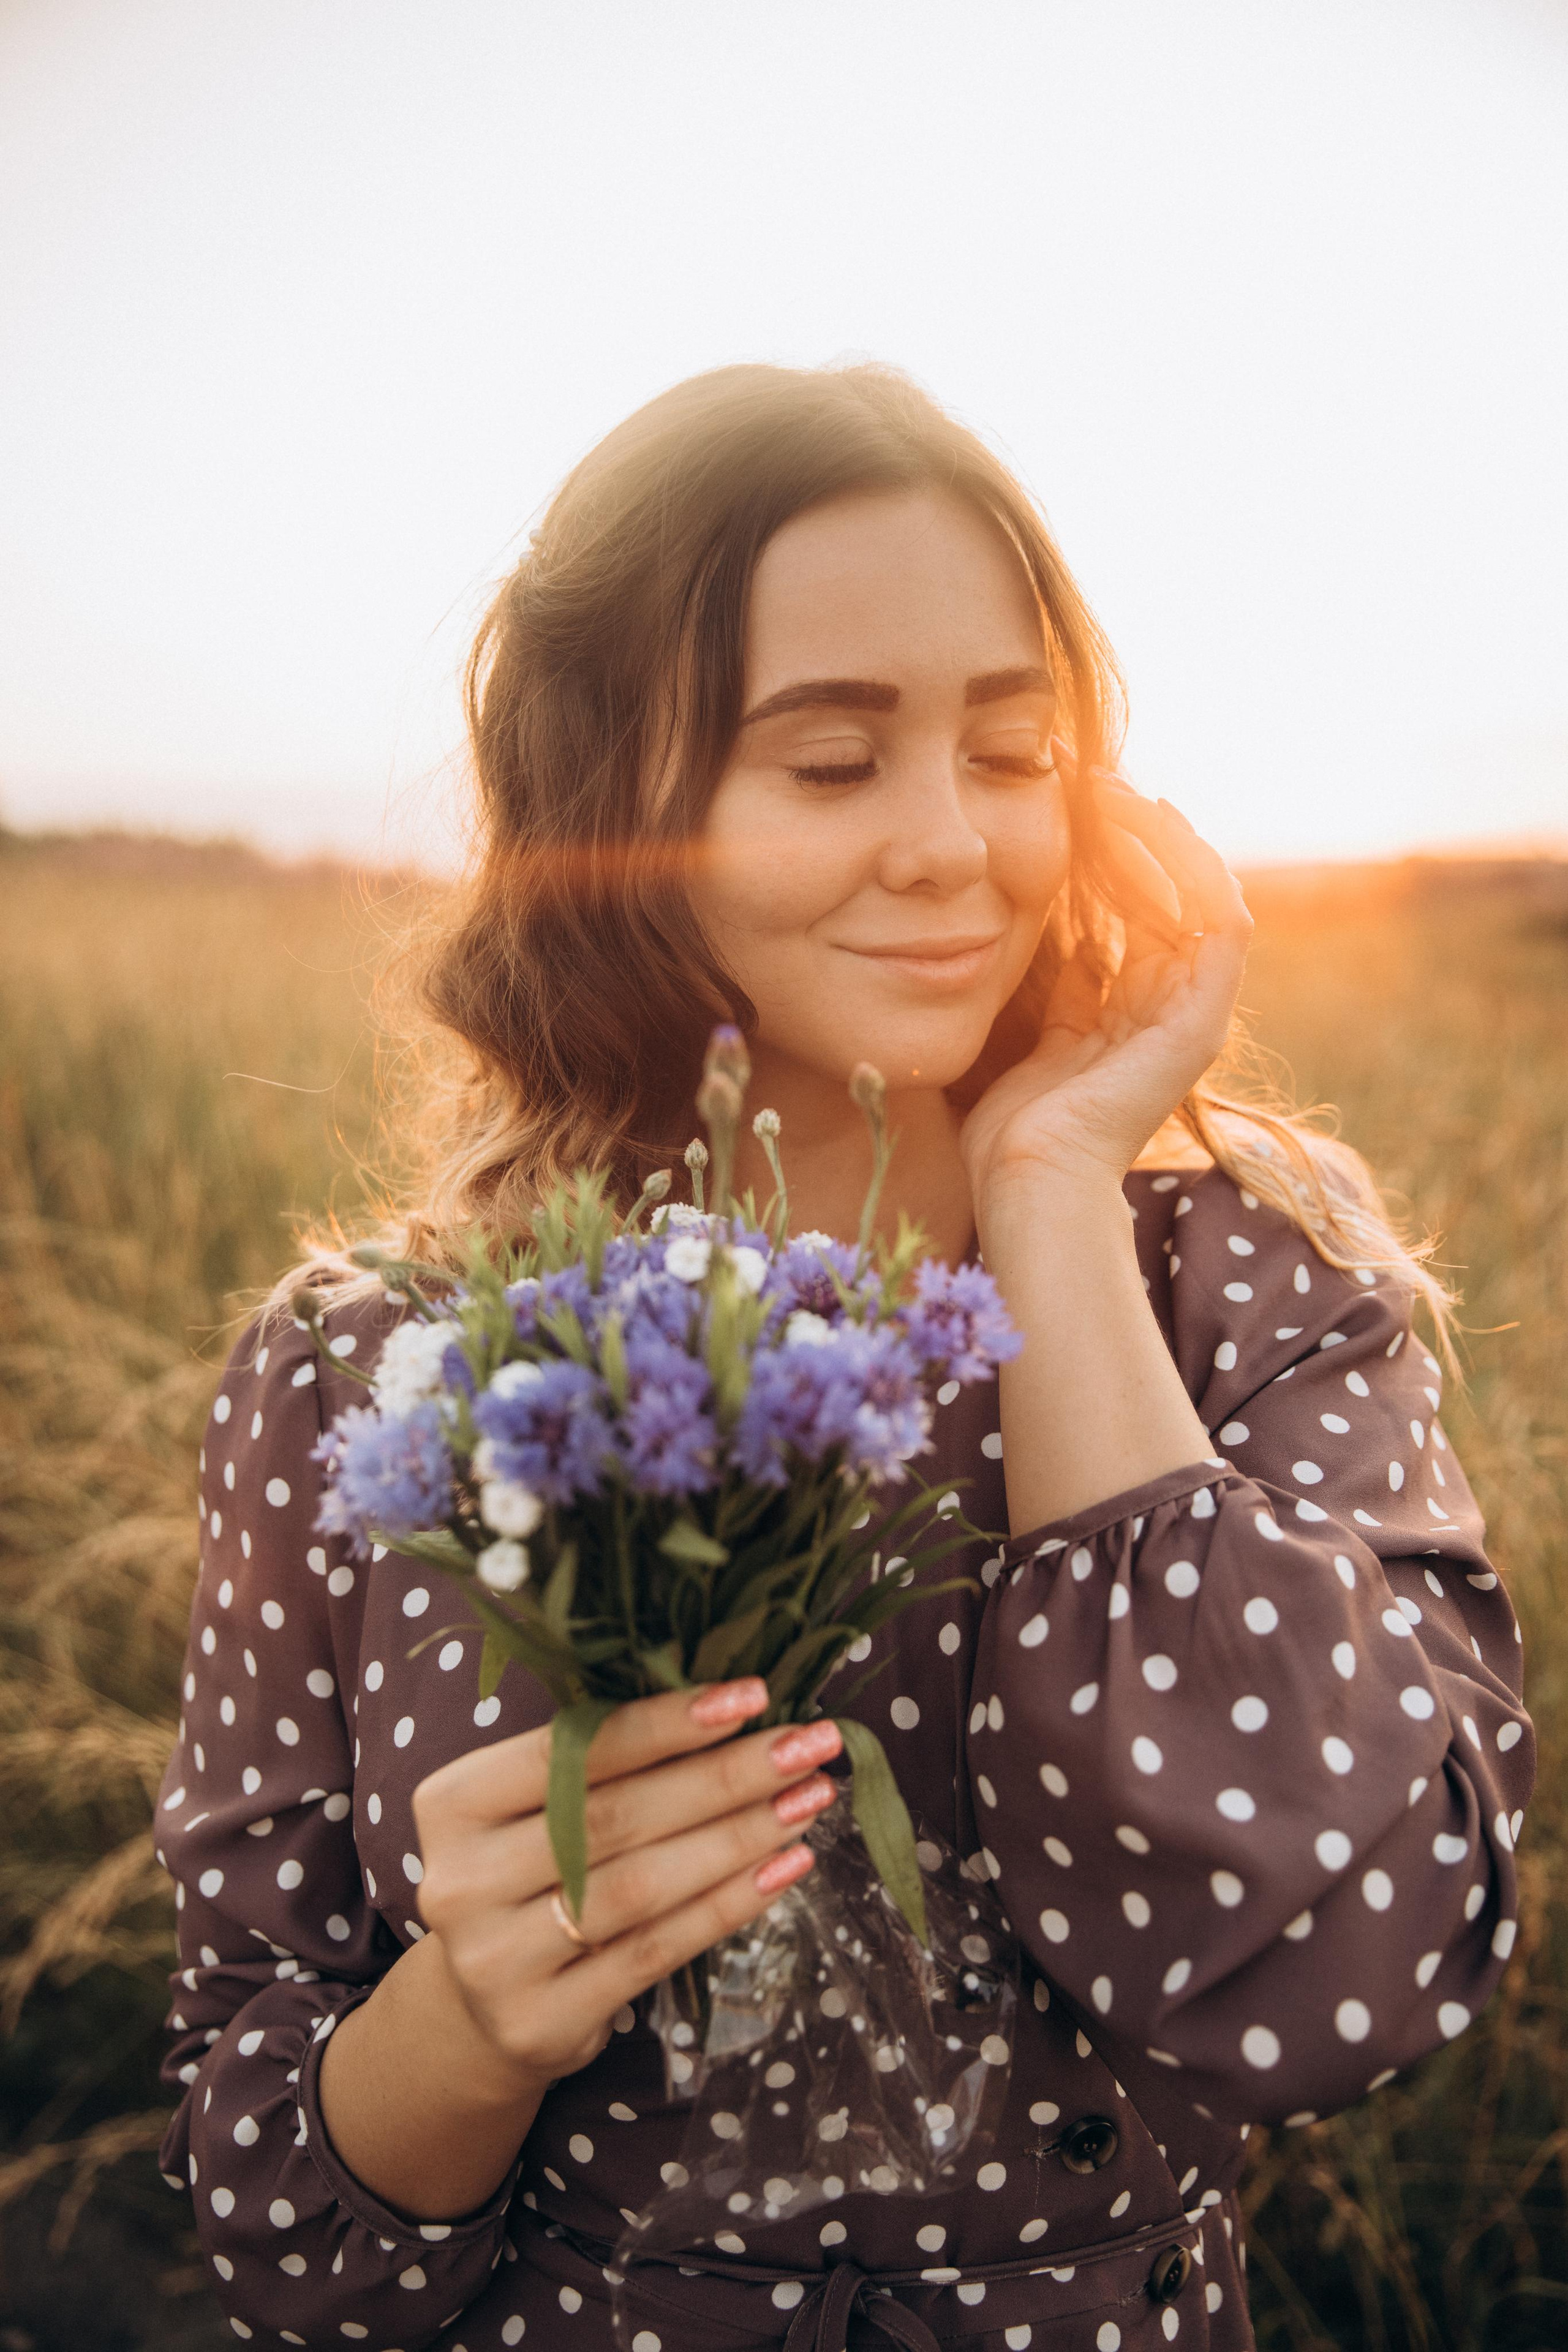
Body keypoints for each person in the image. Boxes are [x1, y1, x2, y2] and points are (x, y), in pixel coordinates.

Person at [155, 364, 1533, 2351]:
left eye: (1014, 749)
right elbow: (278, 2235)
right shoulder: (372, 1366)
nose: (955, 845)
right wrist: (467, 2020)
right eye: (829, 763)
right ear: (611, 810)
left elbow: (1358, 1982)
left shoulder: (1242, 1284)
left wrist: (1050, 1188)